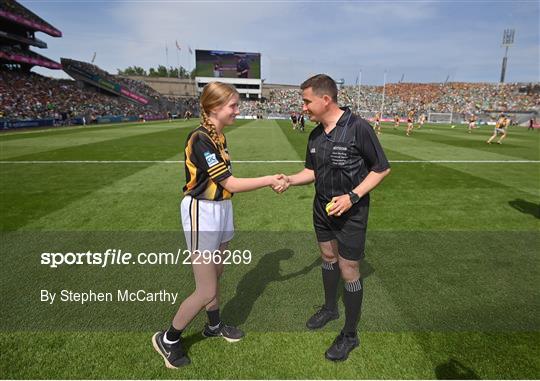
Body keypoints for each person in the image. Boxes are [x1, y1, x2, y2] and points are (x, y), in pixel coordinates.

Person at [152, 82, 286, 369]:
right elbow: (229, 182)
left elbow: (226, 187)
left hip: (222, 209)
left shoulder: (219, 137)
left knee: (217, 273)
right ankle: (169, 338)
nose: (238, 110)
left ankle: (213, 325)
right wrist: (269, 180)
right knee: (206, 289)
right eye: (233, 106)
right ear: (214, 108)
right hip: (203, 211)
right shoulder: (200, 138)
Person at [279, 74, 391, 361]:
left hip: (351, 213)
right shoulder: (315, 135)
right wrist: (290, 180)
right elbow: (312, 171)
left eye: (306, 101)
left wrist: (352, 196)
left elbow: (381, 169)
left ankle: (350, 334)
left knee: (349, 269)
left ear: (325, 99)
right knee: (328, 257)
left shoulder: (358, 128)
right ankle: (330, 308)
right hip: (322, 209)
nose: (303, 107)